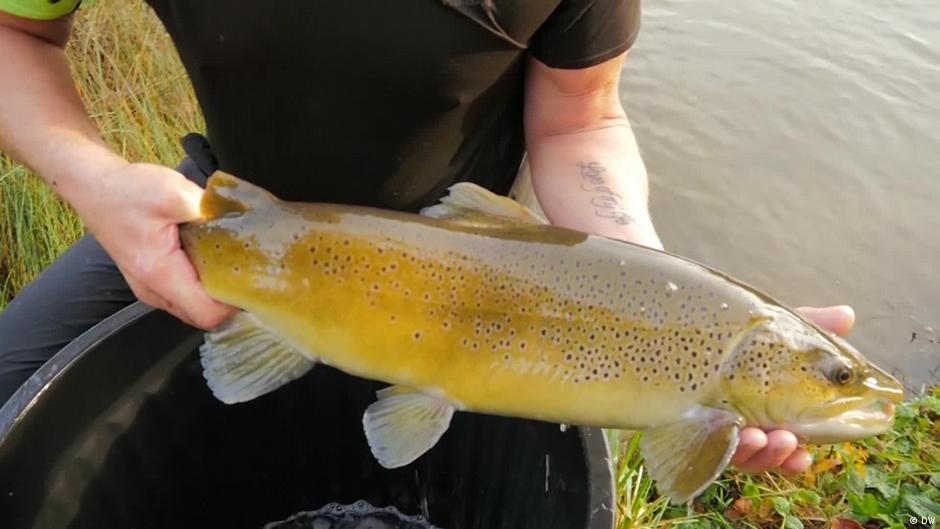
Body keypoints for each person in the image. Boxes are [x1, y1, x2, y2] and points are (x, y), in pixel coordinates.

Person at [0, 0, 856, 476]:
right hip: (227, 220)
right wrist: (95, 180)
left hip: (497, 272)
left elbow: (578, 122)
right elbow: (15, 31)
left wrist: (663, 292)